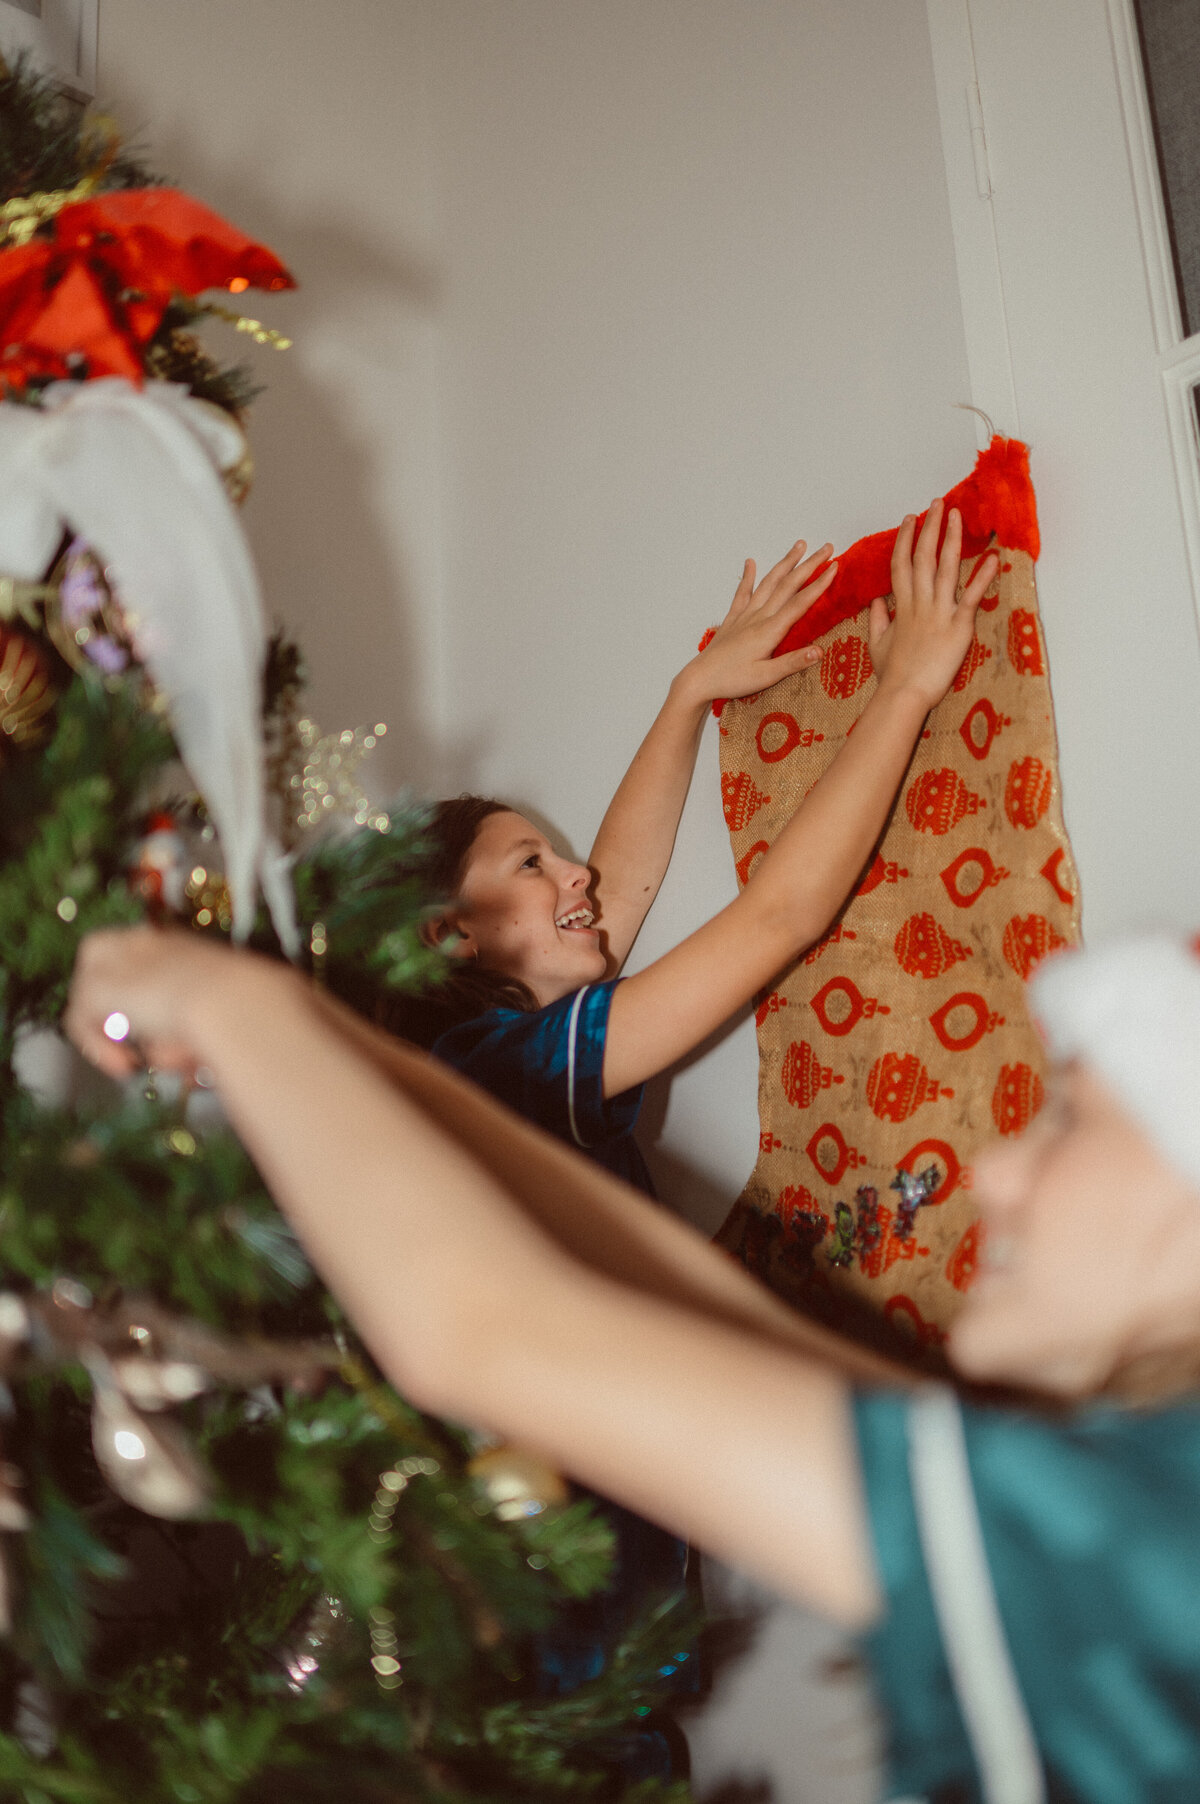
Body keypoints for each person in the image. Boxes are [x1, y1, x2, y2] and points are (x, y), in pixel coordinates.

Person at [67, 921, 1200, 1804]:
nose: (995, 1174)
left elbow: (477, 1333)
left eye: (1069, 1119)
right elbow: (717, 1321)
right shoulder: (1126, 1488)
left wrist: (238, 1005)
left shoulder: (1149, 1526)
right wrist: (342, 1044)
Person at [401, 501, 999, 1206]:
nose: (577, 873)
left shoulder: (507, 1053)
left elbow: (618, 884)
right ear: (449, 932)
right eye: (531, 864)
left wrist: (689, 693)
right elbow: (779, 915)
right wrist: (905, 690)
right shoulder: (488, 1070)